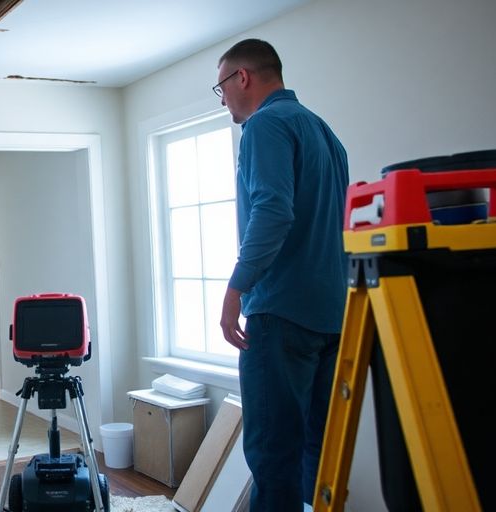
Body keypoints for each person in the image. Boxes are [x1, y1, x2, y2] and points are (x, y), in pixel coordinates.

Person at [214, 39, 349, 510]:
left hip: (280, 314)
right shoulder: (324, 132)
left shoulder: (265, 125)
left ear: (242, 78)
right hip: (333, 316)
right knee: (318, 454)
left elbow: (272, 212)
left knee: (274, 459)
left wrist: (237, 288)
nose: (224, 98)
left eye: (221, 87)